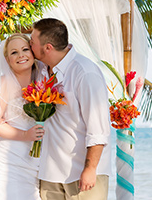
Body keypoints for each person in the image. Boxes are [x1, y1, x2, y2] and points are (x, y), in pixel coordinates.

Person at [30, 18, 111, 200]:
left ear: (48, 47)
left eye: (32, 42)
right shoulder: (40, 69)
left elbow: (98, 127)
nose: (30, 45)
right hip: (50, 172)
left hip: (82, 172)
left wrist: (90, 169)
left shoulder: (85, 72)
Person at [0, 33, 45, 200]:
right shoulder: (3, 82)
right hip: (7, 163)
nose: (21, 55)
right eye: (14, 52)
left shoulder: (43, 80)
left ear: (33, 53)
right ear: (7, 60)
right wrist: (25, 135)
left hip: (35, 165)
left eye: (25, 49)